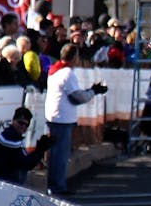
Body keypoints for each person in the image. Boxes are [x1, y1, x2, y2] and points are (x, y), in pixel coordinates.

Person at [43, 43, 106, 196]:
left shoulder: (55, 70)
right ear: (73, 57)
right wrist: (93, 91)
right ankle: (57, 186)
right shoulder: (66, 73)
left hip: (56, 115)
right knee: (60, 155)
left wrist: (89, 91)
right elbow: (76, 97)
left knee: (56, 154)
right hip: (62, 118)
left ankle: (56, 185)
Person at [0, 106, 52, 184]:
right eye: (21, 123)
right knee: (20, 171)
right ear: (13, 121)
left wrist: (39, 150)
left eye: (26, 125)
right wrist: (40, 150)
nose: (23, 126)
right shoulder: (9, 137)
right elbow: (26, 163)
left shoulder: (13, 135)